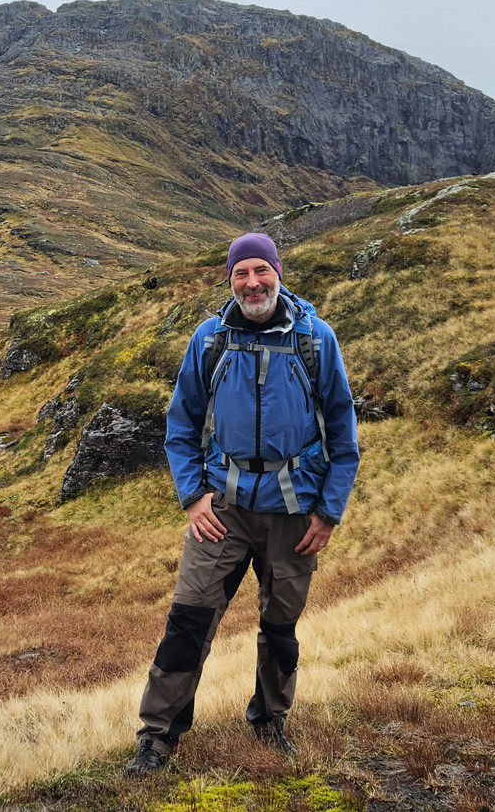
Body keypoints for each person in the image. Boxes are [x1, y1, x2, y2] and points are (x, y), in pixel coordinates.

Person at [126, 232, 360, 777]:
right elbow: (181, 424)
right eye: (241, 274)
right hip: (222, 512)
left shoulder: (316, 339)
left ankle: (270, 723)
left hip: (294, 514)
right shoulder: (210, 340)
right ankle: (157, 738)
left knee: (280, 627)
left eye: (261, 271)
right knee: (187, 623)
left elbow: (343, 433)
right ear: (229, 280)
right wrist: (193, 497)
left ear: (278, 272)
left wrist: (328, 512)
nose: (253, 283)